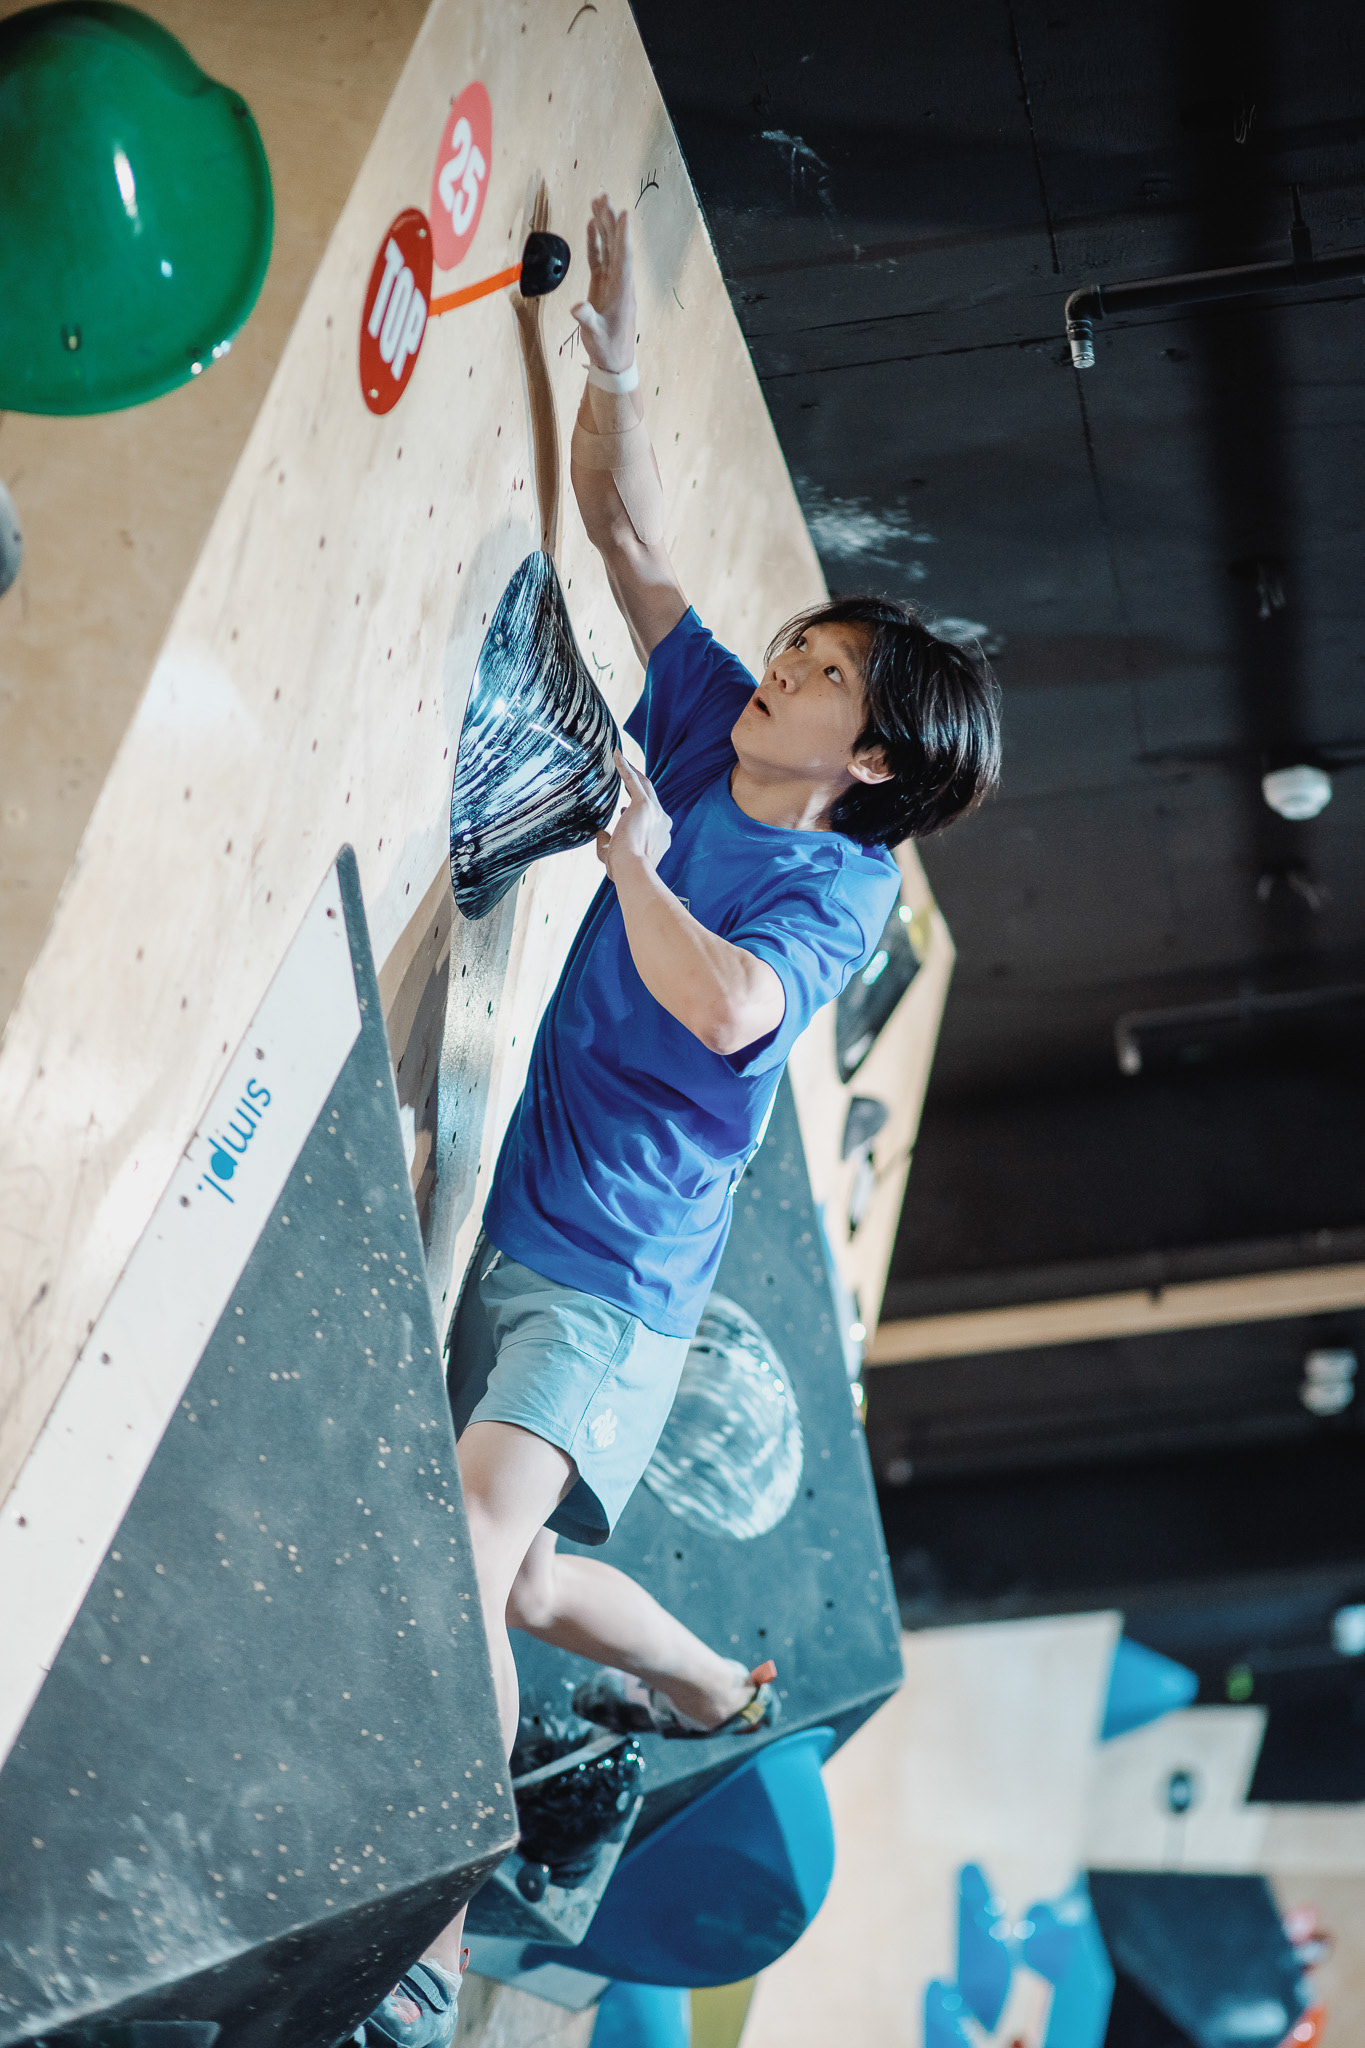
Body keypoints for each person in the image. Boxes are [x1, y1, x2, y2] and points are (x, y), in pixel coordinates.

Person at [361, 194, 1001, 2048]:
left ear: (866, 760)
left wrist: (633, 857)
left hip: (609, 1285)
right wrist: (617, 362)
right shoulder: (721, 725)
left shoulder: (829, 897)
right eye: (799, 648)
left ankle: (428, 1922)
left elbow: (727, 1008)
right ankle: (718, 1691)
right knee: (531, 1578)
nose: (780, 667)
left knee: (471, 1554)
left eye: (820, 677)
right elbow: (632, 539)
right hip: (537, 1210)